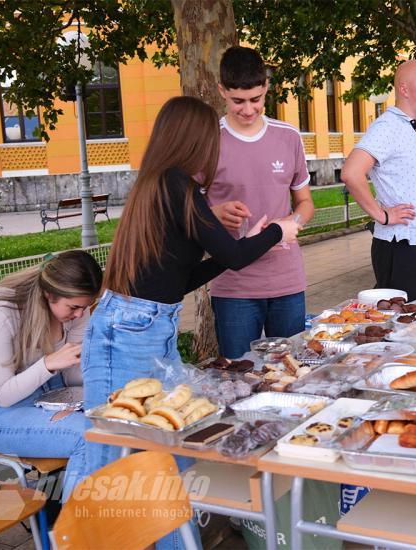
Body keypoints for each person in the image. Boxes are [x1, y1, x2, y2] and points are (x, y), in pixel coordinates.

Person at [76, 96, 301, 546]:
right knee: (108, 450)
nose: (214, 151)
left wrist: (247, 239)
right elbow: (236, 256)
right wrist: (280, 230)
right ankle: (82, 537)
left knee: (168, 443)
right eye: (209, 140)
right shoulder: (174, 185)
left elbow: (186, 277)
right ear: (194, 141)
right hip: (125, 332)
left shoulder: (170, 188)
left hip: (151, 325)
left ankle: (175, 540)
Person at [207, 46, 315, 359]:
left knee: (292, 370)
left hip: (287, 280)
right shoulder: (208, 140)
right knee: (240, 373)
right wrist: (214, 213)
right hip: (233, 284)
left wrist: (292, 225)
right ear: (222, 91)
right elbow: (187, 211)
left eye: (256, 99)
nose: (248, 109)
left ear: (266, 88)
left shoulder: (288, 136)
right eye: (237, 101)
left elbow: (305, 201)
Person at [0, 250, 102, 498]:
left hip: (56, 393)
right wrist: (48, 364)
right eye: (74, 307)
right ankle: (76, 532)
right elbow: (2, 396)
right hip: (4, 413)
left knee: (124, 423)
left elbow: (74, 377)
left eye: (85, 308)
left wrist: (110, 380)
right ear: (49, 294)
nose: (80, 315)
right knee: (89, 436)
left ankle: (118, 521)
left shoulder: (77, 310)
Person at [341, 59, 416, 301]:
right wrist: (382, 215)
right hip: (402, 245)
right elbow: (351, 172)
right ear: (404, 89)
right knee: (398, 327)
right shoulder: (388, 126)